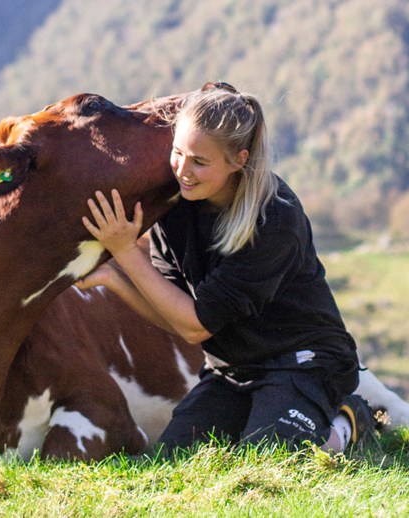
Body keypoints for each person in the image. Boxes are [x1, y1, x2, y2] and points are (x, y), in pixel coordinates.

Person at [76, 82, 375, 455]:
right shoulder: (177, 207)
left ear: (239, 160)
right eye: (178, 153)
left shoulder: (274, 219)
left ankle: (349, 424)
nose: (183, 170)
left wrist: (127, 252)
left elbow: (194, 322)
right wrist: (115, 279)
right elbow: (177, 318)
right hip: (232, 370)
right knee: (174, 459)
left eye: (199, 162)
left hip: (303, 363)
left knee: (270, 459)